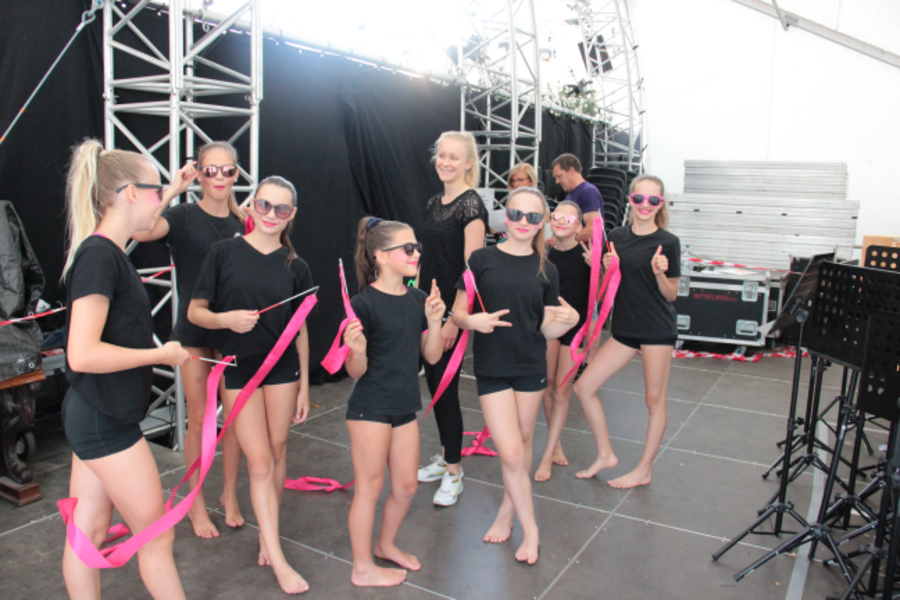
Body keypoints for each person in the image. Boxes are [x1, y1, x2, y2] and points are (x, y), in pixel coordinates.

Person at [60, 139, 189, 600]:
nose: (160, 199)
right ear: (131, 193)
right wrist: (159, 355)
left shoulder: (106, 251)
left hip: (96, 411)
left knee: (88, 531)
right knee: (156, 536)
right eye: (155, 190)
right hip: (104, 418)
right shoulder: (99, 257)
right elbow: (81, 354)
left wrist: (171, 191)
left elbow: (146, 214)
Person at [188, 176, 312, 594]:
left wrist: (305, 385)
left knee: (276, 451)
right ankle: (277, 556)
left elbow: (300, 328)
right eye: (264, 205)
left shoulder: (296, 266)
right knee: (259, 462)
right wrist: (225, 319)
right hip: (238, 368)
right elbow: (195, 312)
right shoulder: (223, 253)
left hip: (282, 369)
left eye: (281, 209)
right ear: (251, 206)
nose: (271, 214)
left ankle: (267, 535)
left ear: (292, 215)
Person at [452, 187, 579, 564]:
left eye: (533, 216)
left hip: (530, 366)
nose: (524, 222)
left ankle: (507, 513)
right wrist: (471, 321)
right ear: (504, 216)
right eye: (516, 214)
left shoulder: (547, 269)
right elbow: (458, 313)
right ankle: (532, 530)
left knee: (522, 443)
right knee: (510, 452)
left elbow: (545, 329)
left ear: (542, 223)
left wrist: (571, 321)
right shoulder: (481, 259)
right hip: (492, 367)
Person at [131, 141, 246, 538]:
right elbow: (139, 229)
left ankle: (229, 494)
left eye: (227, 170)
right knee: (198, 419)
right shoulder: (182, 216)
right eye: (210, 170)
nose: (219, 177)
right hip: (194, 330)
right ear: (198, 173)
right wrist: (173, 190)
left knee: (234, 420)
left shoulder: (243, 221)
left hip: (231, 330)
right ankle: (195, 503)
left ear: (236, 174)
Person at [343, 217, 445, 587]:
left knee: (406, 488)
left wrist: (435, 322)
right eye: (408, 248)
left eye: (417, 247)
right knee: (368, 490)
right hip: (370, 407)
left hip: (404, 407)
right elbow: (355, 371)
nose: (416, 254)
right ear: (382, 257)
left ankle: (385, 544)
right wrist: (356, 351)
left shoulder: (418, 300)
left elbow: (431, 357)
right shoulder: (364, 304)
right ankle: (361, 568)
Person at [572, 174, 680, 489]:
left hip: (656, 329)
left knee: (654, 401)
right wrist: (605, 267)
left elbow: (671, 294)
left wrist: (659, 273)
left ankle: (644, 470)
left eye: (653, 199)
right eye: (639, 198)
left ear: (661, 204)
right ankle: (605, 454)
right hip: (625, 328)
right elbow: (608, 289)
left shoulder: (668, 242)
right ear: (630, 200)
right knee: (584, 387)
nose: (645, 205)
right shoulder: (616, 237)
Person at [416, 131, 487, 507]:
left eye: (454, 157)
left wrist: (453, 321)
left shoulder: (471, 205)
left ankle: (455, 473)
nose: (445, 162)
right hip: (429, 306)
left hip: (451, 312)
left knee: (445, 390)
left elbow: (471, 269)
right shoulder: (433, 202)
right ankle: (446, 456)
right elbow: (426, 258)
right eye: (442, 155)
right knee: (434, 384)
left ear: (468, 164)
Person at [534, 201, 592, 482]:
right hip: (550, 324)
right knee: (547, 383)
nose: (561, 222)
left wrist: (598, 269)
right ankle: (553, 441)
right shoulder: (544, 254)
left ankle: (547, 454)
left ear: (579, 226)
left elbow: (600, 297)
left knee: (562, 389)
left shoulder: (587, 255)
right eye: (557, 217)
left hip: (576, 328)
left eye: (569, 219)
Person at [550, 154, 603, 244]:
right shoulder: (573, 194)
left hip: (586, 251)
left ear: (572, 170)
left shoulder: (588, 192)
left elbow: (594, 229)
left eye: (559, 176)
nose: (557, 181)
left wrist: (562, 240)